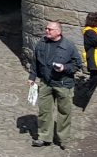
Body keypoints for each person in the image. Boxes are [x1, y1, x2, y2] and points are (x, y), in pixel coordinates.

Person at [29, 19, 83, 148]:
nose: (46, 31)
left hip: (63, 84)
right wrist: (32, 77)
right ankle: (44, 137)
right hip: (46, 83)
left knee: (64, 112)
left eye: (50, 29)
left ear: (58, 32)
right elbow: (35, 61)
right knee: (44, 111)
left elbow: (77, 64)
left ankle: (63, 138)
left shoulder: (68, 46)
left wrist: (64, 68)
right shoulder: (42, 43)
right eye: (46, 28)